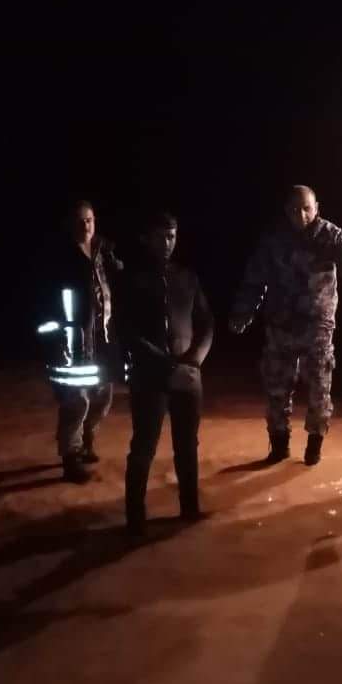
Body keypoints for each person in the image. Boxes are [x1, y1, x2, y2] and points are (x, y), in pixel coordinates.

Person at [229, 185, 342, 466]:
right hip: (280, 323)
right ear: (286, 211)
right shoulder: (273, 239)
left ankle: (314, 444)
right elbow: (254, 278)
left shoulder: (330, 235)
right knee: (276, 387)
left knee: (319, 387)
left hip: (317, 325)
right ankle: (279, 445)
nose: (301, 215)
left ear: (316, 208)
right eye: (295, 210)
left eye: (307, 209)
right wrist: (243, 312)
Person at [118, 210, 214, 536]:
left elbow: (207, 323)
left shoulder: (186, 277)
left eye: (171, 236)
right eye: (160, 236)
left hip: (188, 375)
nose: (167, 242)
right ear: (146, 239)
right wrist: (169, 367)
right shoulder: (132, 279)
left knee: (187, 445)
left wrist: (194, 361)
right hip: (150, 376)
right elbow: (128, 333)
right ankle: (135, 519)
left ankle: (189, 508)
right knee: (144, 446)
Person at [39, 200, 123, 484]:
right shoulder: (60, 258)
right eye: (80, 220)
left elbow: (117, 283)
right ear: (70, 225)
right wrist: (55, 338)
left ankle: (88, 439)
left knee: (104, 395)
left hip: (102, 338)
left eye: (89, 219)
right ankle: (71, 457)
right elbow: (48, 302)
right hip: (72, 341)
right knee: (76, 400)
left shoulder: (103, 251)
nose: (85, 225)